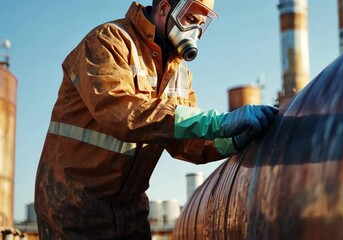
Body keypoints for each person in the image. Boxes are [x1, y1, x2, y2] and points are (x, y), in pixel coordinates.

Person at [34, 0, 279, 239]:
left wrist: (232, 140)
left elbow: (185, 141)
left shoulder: (179, 72)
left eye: (201, 25)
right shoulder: (108, 41)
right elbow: (121, 114)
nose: (195, 32)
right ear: (164, 8)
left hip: (130, 212)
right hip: (75, 211)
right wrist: (216, 123)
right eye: (191, 20)